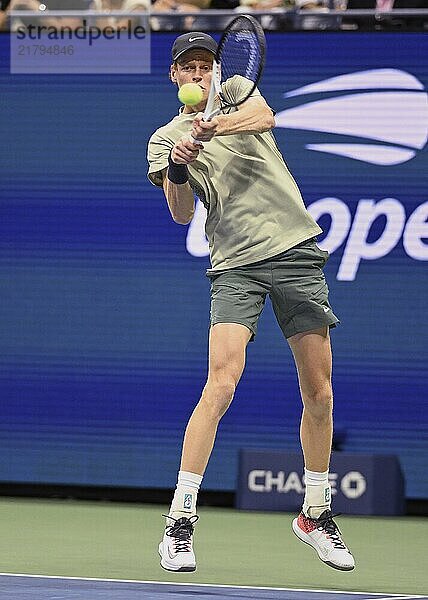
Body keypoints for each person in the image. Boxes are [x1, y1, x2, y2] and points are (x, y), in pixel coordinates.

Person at [147, 32, 355, 574]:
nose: (198, 73)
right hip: (235, 265)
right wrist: (179, 162)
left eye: (205, 65)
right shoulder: (164, 136)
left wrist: (216, 125)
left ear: (216, 70)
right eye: (187, 67)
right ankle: (180, 523)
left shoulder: (238, 91)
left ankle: (314, 512)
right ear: (175, 77)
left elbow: (267, 117)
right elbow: (179, 211)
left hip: (295, 251)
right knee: (221, 382)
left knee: (320, 391)